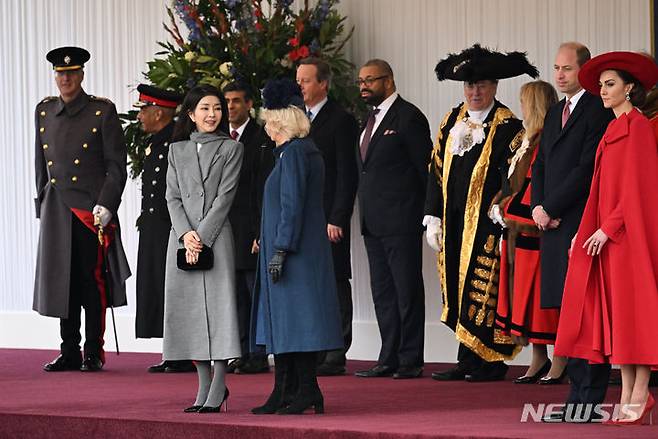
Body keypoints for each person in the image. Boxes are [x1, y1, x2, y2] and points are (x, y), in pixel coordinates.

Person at [554, 52, 658, 425]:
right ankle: (630, 392)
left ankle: (641, 391)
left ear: (630, 88)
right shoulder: (612, 130)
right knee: (619, 317)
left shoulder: (639, 128)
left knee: (634, 314)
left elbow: (637, 192)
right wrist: (584, 232)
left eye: (610, 84)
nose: (602, 91)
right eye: (600, 86)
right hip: (609, 239)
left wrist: (606, 228)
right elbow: (599, 190)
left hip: (630, 238)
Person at [426, 44, 536, 382]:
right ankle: (466, 359)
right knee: (457, 289)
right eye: (470, 86)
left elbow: (514, 176)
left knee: (482, 289)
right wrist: (432, 216)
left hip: (488, 224)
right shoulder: (450, 121)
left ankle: (491, 360)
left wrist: (503, 209)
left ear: (495, 87)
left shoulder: (508, 127)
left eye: (483, 85)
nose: (475, 92)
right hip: (455, 222)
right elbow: (436, 169)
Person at [531, 42, 614, 422]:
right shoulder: (554, 111)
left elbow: (587, 169)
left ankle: (588, 399)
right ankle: (576, 396)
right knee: (567, 314)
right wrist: (537, 205)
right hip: (553, 223)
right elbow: (543, 161)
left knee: (585, 313)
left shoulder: (598, 109)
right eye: (556, 67)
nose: (559, 75)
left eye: (566, 68)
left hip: (580, 221)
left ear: (585, 71)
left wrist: (552, 207)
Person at [34, 46, 131, 373]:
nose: (66, 79)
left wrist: (107, 203)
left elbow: (116, 166)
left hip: (89, 210)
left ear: (81, 74)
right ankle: (68, 350)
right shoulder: (45, 111)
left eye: (71, 73)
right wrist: (41, 201)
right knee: (63, 280)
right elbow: (41, 165)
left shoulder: (101, 112)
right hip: (57, 210)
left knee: (91, 282)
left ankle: (93, 350)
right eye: (61, 74)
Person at [250, 78, 343, 415]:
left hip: (294, 254)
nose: (266, 130)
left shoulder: (293, 155)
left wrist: (280, 249)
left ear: (280, 123)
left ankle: (304, 390)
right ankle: (290, 391)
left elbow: (291, 207)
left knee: (296, 324)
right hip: (294, 251)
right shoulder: (297, 152)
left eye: (269, 123)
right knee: (289, 324)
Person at [163, 85, 243, 413]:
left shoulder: (231, 148)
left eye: (217, 108)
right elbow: (172, 197)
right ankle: (203, 383)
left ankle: (220, 382)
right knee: (190, 312)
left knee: (220, 311)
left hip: (216, 237)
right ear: (191, 114)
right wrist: (186, 235)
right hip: (182, 241)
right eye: (205, 108)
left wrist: (202, 236)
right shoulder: (177, 150)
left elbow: (226, 197)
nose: (212, 115)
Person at [353, 59, 432, 380]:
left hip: (401, 220)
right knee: (383, 293)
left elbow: (425, 170)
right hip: (372, 222)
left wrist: (429, 213)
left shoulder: (409, 117)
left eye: (370, 80)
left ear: (389, 80)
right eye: (361, 81)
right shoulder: (367, 119)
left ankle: (410, 358)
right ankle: (388, 358)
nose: (363, 86)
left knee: (406, 290)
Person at [491, 80, 567, 384]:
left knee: (544, 302)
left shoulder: (542, 141)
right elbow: (514, 184)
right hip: (519, 234)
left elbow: (536, 187)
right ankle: (538, 358)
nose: (520, 107)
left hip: (535, 231)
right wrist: (499, 204)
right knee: (526, 300)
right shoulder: (526, 140)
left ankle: (561, 360)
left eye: (524, 102)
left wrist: (509, 213)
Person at [296, 57, 359, 376]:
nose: (301, 86)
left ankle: (336, 349)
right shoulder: (296, 119)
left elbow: (347, 174)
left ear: (323, 84)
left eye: (306, 80)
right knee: (310, 283)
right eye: (299, 80)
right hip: (303, 218)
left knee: (334, 281)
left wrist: (338, 217)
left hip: (329, 219)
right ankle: (316, 346)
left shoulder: (341, 120)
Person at [132, 84, 194, 374]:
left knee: (173, 288)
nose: (140, 115)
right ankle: (172, 351)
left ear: (158, 111)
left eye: (144, 109)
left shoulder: (176, 142)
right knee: (158, 286)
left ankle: (180, 353)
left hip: (171, 226)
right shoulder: (158, 141)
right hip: (155, 226)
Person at [222, 81, 273, 375]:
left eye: (237, 101)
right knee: (235, 295)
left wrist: (259, 231)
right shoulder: (218, 136)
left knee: (255, 293)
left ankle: (258, 352)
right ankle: (239, 351)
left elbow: (261, 187)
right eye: (226, 101)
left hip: (251, 227)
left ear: (249, 104)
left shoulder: (261, 136)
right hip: (227, 230)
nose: (230, 106)